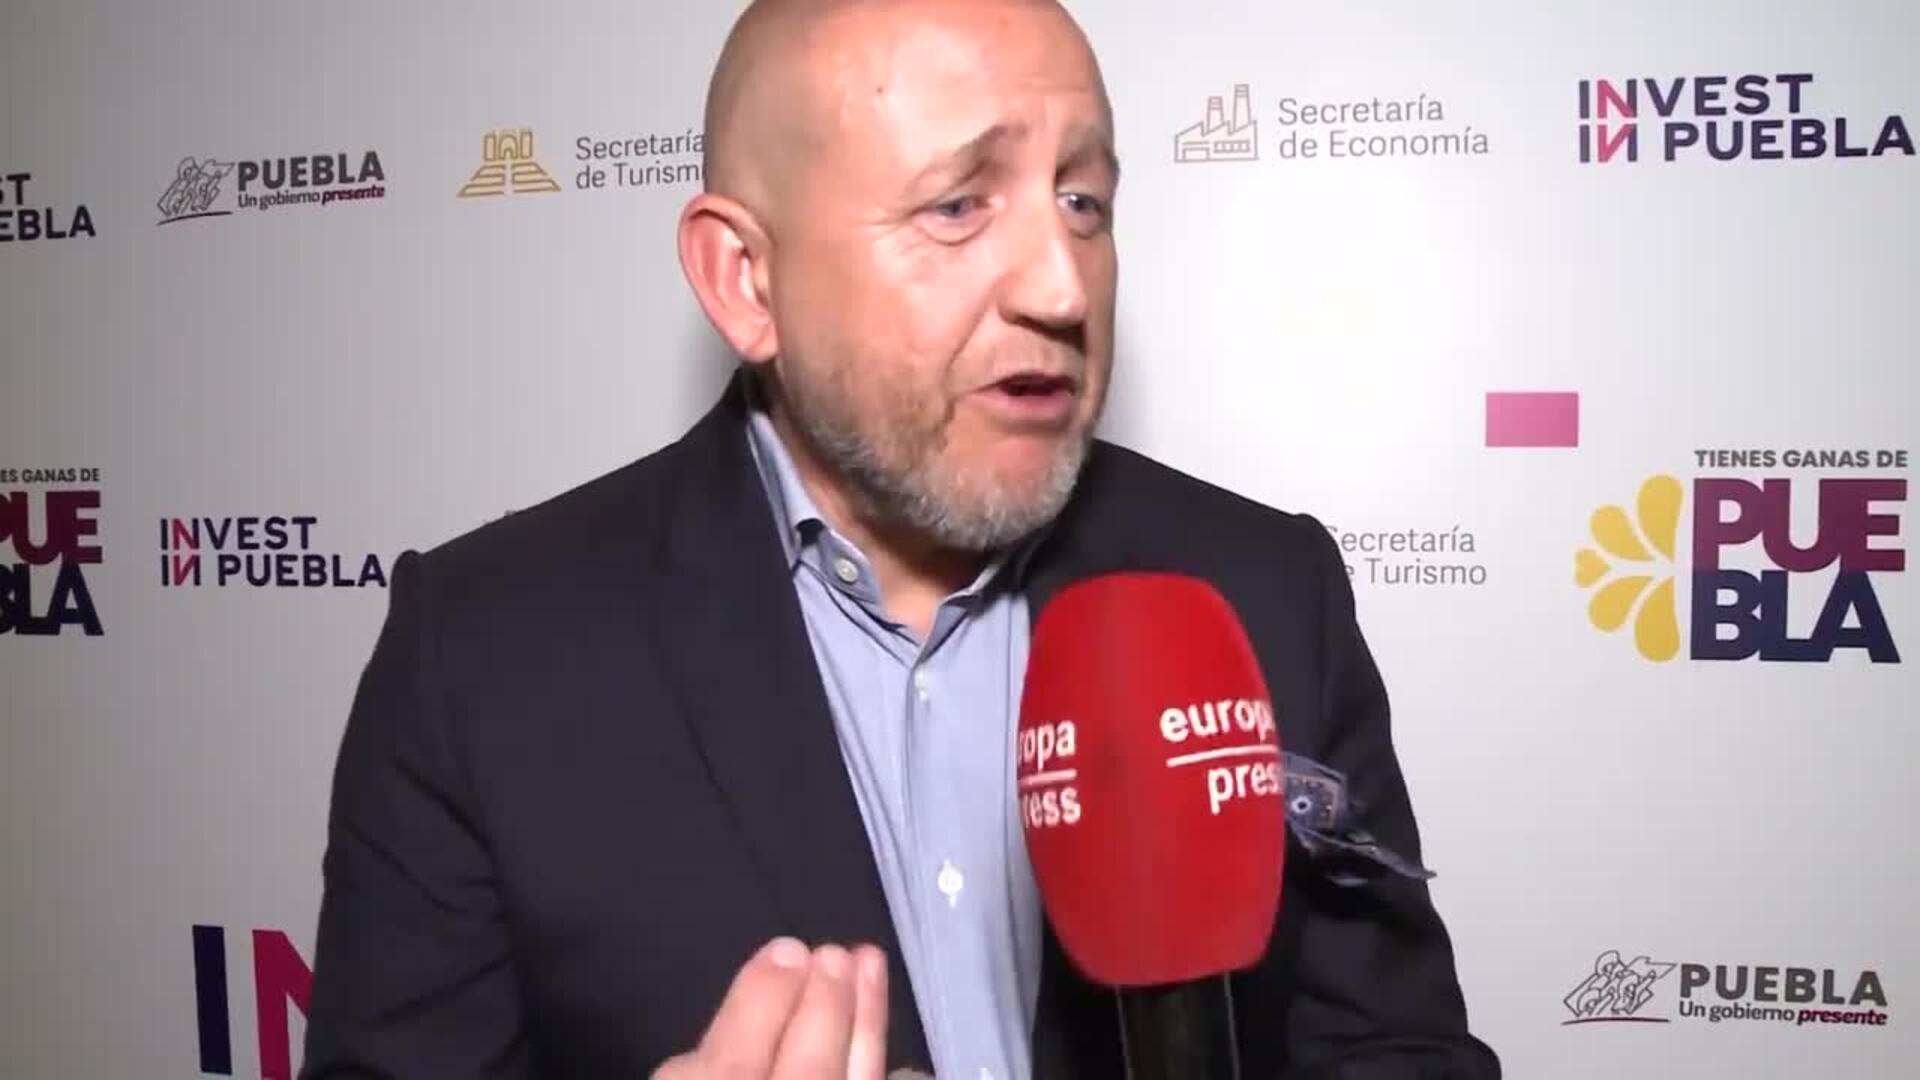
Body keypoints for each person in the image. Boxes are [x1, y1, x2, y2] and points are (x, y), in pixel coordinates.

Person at [301, 1, 1501, 1077]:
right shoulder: (482, 659)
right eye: (958, 204)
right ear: (746, 280)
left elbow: (1397, 1054)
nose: (1062, 287)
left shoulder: (1262, 590)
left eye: (1082, 201)